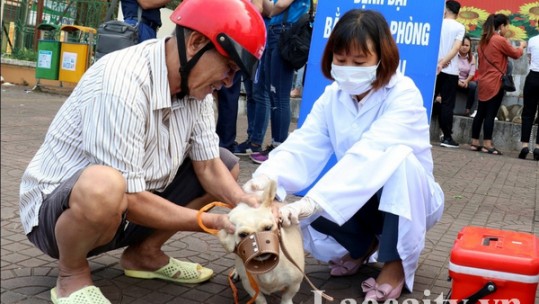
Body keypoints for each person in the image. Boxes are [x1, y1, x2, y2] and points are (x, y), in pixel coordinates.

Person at [18, 0, 266, 303]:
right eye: (229, 67)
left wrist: (245, 203)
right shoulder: (121, 82)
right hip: (58, 217)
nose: (228, 83)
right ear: (197, 42)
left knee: (226, 166)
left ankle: (143, 255)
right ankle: (72, 274)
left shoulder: (196, 91)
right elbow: (128, 195)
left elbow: (209, 168)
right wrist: (209, 222)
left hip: (128, 205)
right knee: (104, 185)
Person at [242, 9, 444, 301]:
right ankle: (361, 246)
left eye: (359, 62)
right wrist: (265, 182)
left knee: (396, 161)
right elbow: (304, 144)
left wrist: (313, 202)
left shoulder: (404, 94)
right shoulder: (332, 96)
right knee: (311, 206)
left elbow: (371, 153)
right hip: (361, 195)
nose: (349, 68)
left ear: (382, 58)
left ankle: (396, 263)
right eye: (341, 60)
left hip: (409, 200)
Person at [249, 0, 311, 164]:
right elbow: (271, 10)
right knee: (273, 93)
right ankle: (275, 145)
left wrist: (271, 8)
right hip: (275, 33)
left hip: (285, 33)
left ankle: (279, 146)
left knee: (280, 95)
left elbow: (280, 5)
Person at [470, 14, 526, 155]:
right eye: (507, 26)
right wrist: (522, 47)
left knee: (480, 113)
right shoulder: (499, 40)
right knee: (490, 114)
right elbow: (515, 54)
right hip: (496, 82)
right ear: (501, 26)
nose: (508, 29)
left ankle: (474, 141)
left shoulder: (483, 41)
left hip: (483, 82)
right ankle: (488, 144)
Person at [433, 0, 465, 148]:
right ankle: (446, 137)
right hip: (450, 70)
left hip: (433, 68)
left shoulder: (436, 22)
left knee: (427, 99)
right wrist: (444, 61)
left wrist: (438, 63)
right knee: (447, 104)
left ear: (445, 10)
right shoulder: (459, 27)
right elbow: (456, 48)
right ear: (457, 14)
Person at [518, 31, 539, 161]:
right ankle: (537, 147)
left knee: (527, 113)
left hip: (533, 77)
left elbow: (530, 58)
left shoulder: (532, 40)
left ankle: (524, 145)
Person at [457, 35, 478, 117]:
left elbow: (472, 73)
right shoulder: (454, 56)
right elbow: (452, 70)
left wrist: (466, 81)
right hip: (454, 79)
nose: (464, 47)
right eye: (462, 45)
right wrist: (457, 81)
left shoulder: (472, 58)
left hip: (465, 81)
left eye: (467, 45)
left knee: (474, 85)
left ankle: (468, 109)